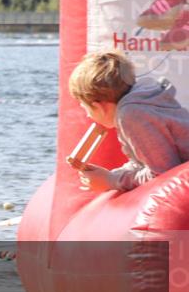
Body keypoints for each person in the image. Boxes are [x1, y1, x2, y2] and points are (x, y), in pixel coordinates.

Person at [67, 50, 189, 192]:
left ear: (98, 106)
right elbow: (142, 163)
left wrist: (111, 181)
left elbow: (163, 173)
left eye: (85, 108)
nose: (88, 116)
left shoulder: (131, 115)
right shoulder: (140, 100)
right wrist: (111, 175)